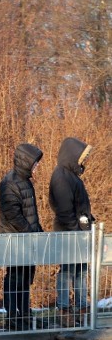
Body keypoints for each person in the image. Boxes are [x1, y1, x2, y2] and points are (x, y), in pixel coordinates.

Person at [49, 137, 94, 328]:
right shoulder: (61, 176)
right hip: (69, 234)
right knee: (67, 271)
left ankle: (81, 308)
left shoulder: (71, 176)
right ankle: (64, 309)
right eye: (81, 157)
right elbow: (64, 211)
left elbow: (79, 207)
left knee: (81, 271)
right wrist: (76, 232)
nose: (83, 161)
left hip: (78, 233)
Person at [0, 143, 44, 332]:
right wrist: (30, 232)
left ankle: (24, 315)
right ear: (26, 161)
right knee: (15, 279)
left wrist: (38, 234)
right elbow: (12, 214)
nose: (37, 166)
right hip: (15, 240)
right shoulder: (10, 182)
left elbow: (31, 214)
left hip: (27, 240)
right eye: (35, 162)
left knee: (26, 279)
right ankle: (12, 317)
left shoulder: (25, 181)